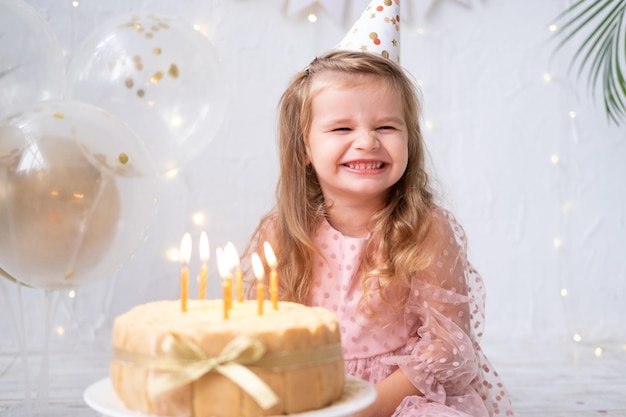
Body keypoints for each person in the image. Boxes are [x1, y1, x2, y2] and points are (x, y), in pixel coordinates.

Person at [245, 49, 515, 417]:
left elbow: (448, 346)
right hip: (309, 390)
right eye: (342, 128)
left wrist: (364, 408)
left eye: (386, 127)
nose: (368, 142)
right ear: (304, 147)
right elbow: (259, 333)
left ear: (410, 138)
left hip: (403, 395)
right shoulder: (282, 232)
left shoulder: (426, 228)